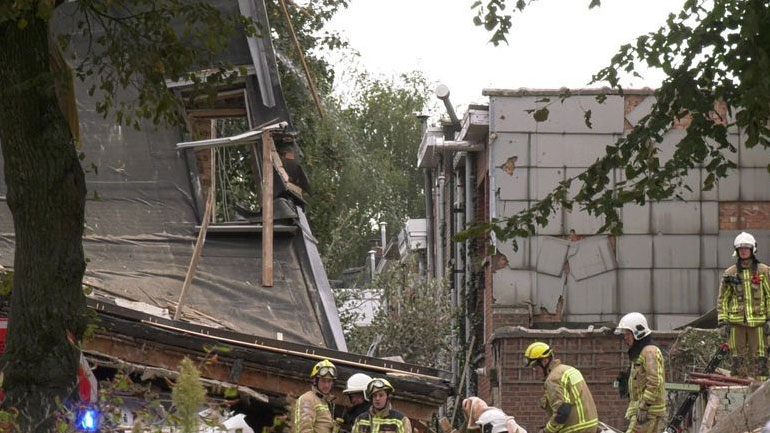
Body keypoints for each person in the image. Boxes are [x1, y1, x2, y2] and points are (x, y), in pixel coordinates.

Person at [717, 231, 770, 379]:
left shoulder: (764, 271)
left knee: (761, 357)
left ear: (753, 250)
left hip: (759, 323)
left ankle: (762, 392)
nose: (744, 251)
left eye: (746, 248)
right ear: (736, 251)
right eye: (741, 249)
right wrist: (722, 322)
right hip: (736, 324)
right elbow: (723, 299)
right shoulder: (730, 273)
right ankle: (738, 389)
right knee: (736, 358)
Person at [523, 342, 598, 433]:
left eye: (536, 367)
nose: (535, 371)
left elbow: (562, 411)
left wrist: (546, 431)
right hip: (590, 427)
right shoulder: (569, 370)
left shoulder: (553, 379)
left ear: (544, 361)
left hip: (575, 430)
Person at [615, 313, 666, 433]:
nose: (625, 338)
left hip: (648, 411)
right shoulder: (643, 351)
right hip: (645, 409)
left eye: (628, 334)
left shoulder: (649, 352)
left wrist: (644, 406)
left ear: (638, 333)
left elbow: (654, 382)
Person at [292, 359, 338, 433]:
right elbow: (304, 430)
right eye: (323, 381)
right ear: (315, 381)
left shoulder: (325, 401)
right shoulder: (307, 399)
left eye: (329, 381)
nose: (326, 385)